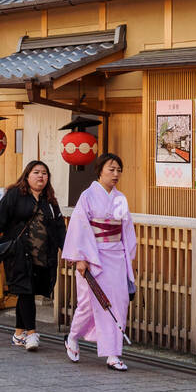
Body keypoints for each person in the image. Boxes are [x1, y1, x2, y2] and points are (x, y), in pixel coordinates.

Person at [61, 152, 137, 371]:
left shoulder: (120, 198)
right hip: (93, 256)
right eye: (111, 169)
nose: (115, 174)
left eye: (118, 170)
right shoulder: (87, 196)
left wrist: (126, 257)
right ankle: (73, 336)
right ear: (100, 170)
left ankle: (113, 354)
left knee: (118, 302)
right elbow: (79, 228)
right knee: (89, 302)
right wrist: (81, 259)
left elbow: (126, 230)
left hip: (116, 256)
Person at [0, 160, 66, 351]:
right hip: (19, 253)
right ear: (27, 175)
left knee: (28, 291)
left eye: (44, 173)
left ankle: (19, 334)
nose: (41, 176)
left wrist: (66, 248)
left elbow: (59, 228)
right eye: (36, 172)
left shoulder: (50, 201)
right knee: (25, 290)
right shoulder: (15, 195)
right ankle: (32, 333)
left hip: (43, 255)